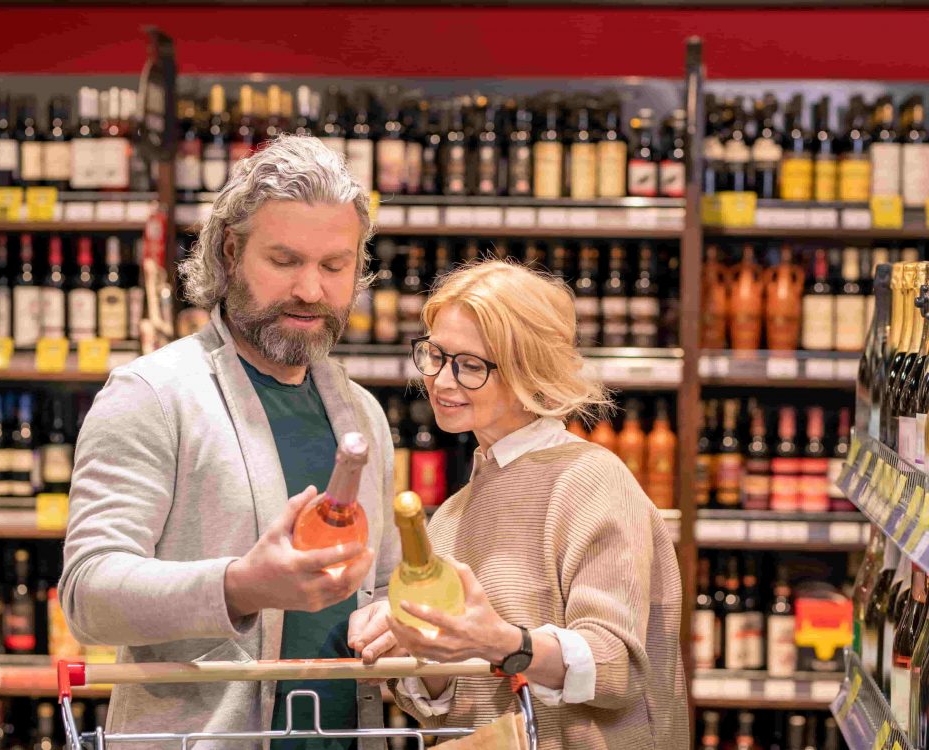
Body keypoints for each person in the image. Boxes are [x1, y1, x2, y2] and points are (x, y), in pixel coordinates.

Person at [59, 135, 400, 750]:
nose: (310, 290)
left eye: (334, 265)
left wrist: (394, 618)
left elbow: (387, 586)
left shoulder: (363, 416)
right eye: (284, 260)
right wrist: (239, 586)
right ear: (231, 251)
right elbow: (88, 593)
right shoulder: (153, 395)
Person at [369, 260, 689, 749]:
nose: (442, 380)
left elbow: (613, 667)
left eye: (471, 365)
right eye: (435, 355)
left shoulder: (591, 480)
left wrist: (499, 641)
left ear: (532, 370)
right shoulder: (452, 514)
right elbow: (448, 705)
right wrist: (419, 647)